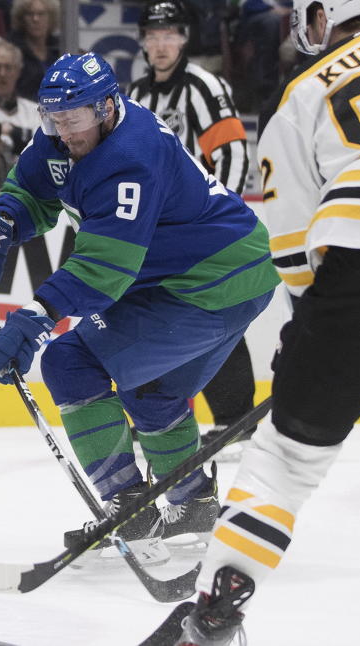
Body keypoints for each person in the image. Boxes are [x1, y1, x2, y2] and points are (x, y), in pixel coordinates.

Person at [0, 52, 279, 559]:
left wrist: (37, 316)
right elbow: (32, 193)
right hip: (193, 276)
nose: (62, 131)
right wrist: (1, 222)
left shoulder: (131, 157)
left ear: (105, 107)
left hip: (213, 281)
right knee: (151, 391)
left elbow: (104, 271)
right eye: (52, 119)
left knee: (69, 360)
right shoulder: (61, 134)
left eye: (73, 119)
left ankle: (129, 506)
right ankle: (192, 505)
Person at [163, 4, 360, 644]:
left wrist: (307, 335)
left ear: (324, 14)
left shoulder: (306, 91)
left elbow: (289, 239)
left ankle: (218, 608)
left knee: (285, 462)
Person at [129, 0, 257, 458]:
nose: (161, 45)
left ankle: (236, 419)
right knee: (150, 321)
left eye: (170, 35)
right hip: (153, 232)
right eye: (153, 35)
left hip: (201, 227)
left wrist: (220, 221)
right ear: (143, 42)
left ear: (184, 38)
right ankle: (157, 420)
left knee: (213, 314)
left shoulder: (204, 86)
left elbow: (233, 153)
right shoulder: (135, 96)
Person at [9, 0, 61, 100]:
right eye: (29, 14)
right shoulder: (11, 49)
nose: (35, 19)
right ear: (21, 18)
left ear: (51, 18)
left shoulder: (59, 48)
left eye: (41, 14)